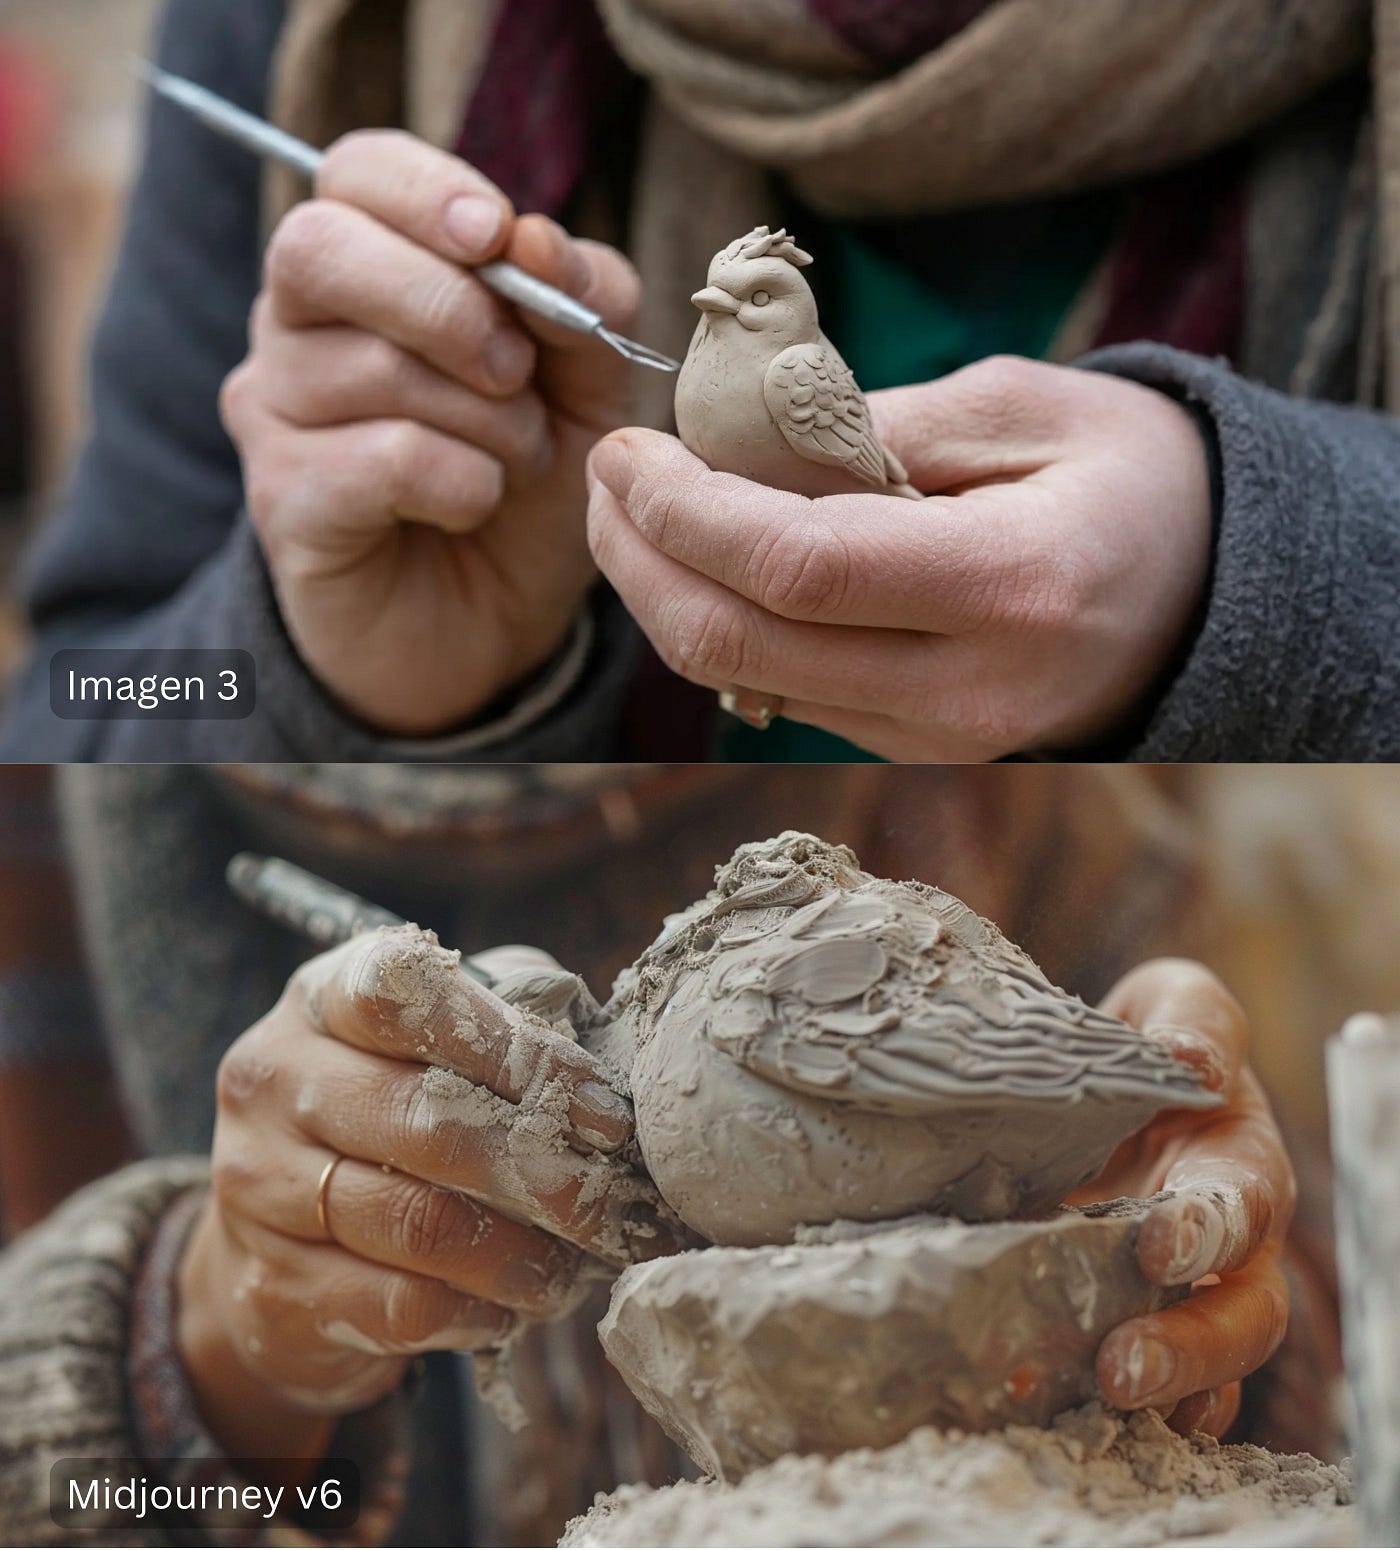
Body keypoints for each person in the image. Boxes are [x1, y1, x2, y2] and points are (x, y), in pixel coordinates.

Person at [0, 0, 1395, 762]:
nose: (722, 311)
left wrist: (1264, 580)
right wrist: (303, 674)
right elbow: (76, 707)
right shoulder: (297, 27)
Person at [0, 764, 1326, 1545]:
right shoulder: (82, 757)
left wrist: (1197, 1285)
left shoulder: (1008, 766)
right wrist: (207, 1341)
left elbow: (1277, 1382)